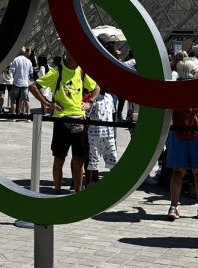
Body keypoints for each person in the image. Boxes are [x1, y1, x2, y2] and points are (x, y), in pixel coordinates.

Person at [29, 51, 99, 193]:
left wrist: (90, 102)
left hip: (79, 118)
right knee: (59, 158)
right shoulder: (57, 71)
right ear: (68, 55)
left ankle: (78, 191)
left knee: (79, 158)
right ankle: (57, 191)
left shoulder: (82, 72)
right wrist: (48, 104)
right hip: (62, 120)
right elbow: (33, 87)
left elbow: (96, 88)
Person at [163, 56, 198, 219]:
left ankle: (173, 207)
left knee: (177, 171)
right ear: (196, 72)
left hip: (177, 130)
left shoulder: (173, 88)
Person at [85, 85, 118, 183]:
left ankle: (114, 181)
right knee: (93, 159)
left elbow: (112, 112)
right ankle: (90, 183)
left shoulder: (110, 97)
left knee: (113, 157)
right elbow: (87, 114)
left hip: (109, 133)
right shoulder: (93, 99)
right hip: (96, 134)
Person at [10, 46, 35, 118]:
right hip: (25, 82)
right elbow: (31, 72)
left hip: (16, 82)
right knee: (26, 99)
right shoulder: (28, 61)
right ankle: (28, 116)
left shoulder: (15, 60)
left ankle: (13, 116)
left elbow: (12, 71)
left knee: (13, 99)